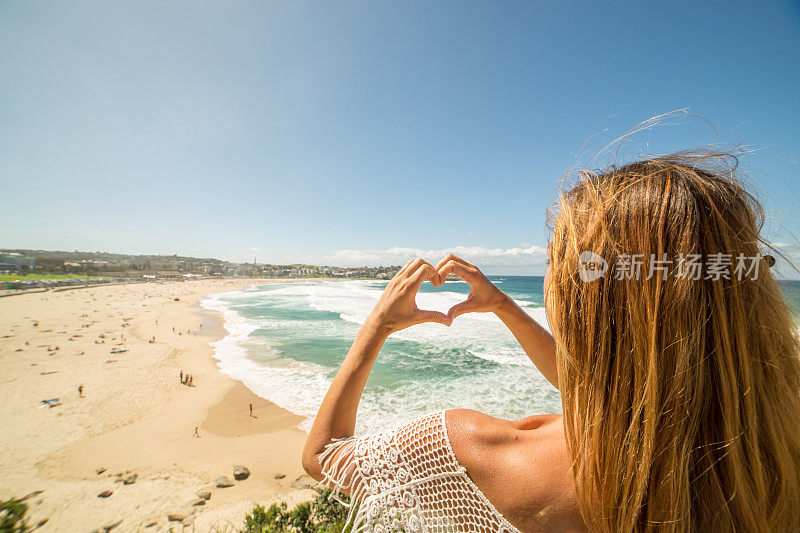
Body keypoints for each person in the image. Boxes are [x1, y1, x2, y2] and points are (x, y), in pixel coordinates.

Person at [302, 151, 800, 532]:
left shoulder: (486, 451)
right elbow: (618, 382)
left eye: (552, 260)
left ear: (586, 302)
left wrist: (379, 325)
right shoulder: (772, 440)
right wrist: (503, 306)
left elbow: (324, 457)